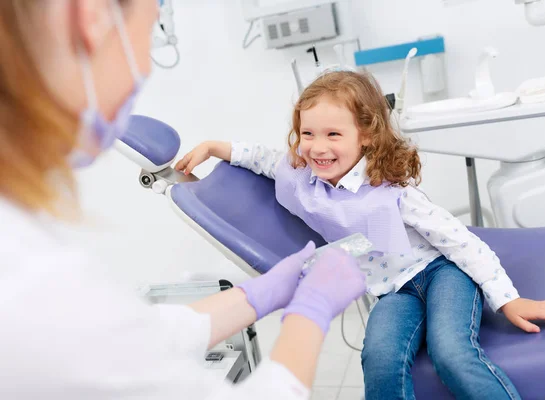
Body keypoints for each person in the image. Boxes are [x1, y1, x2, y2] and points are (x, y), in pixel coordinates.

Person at [0, 1, 367, 399]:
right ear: (91, 19)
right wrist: (310, 313)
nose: (145, 62)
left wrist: (256, 296)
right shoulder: (32, 281)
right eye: (153, 27)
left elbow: (124, 344)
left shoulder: (24, 241)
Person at [176, 69, 545, 400]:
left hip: (441, 273)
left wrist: (509, 300)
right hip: (393, 291)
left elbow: (460, 240)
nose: (317, 147)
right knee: (379, 359)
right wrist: (215, 146)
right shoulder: (300, 177)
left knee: (451, 353)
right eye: (308, 133)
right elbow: (261, 158)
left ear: (365, 135)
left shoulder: (392, 191)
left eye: (333, 135)